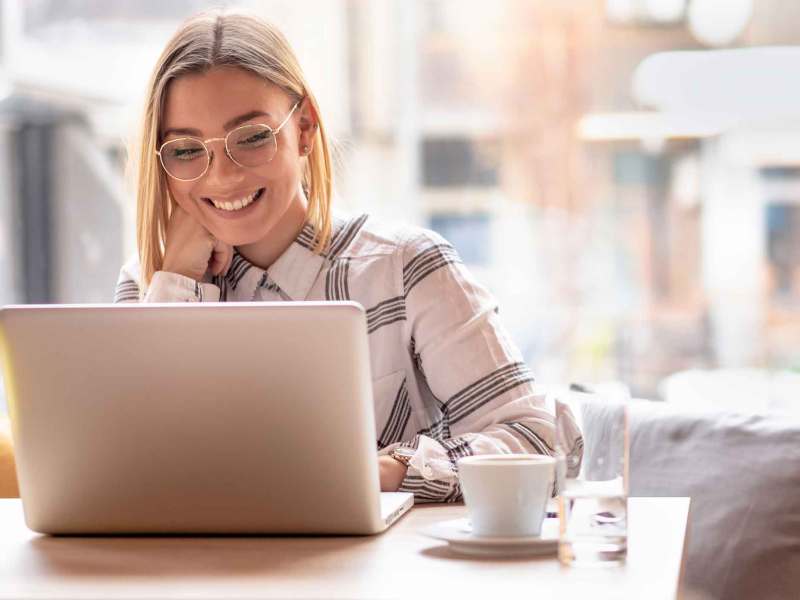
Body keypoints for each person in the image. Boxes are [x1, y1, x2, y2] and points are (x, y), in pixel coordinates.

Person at [114, 8, 581, 503]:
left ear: (306, 128)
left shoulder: (406, 268)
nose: (222, 177)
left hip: (378, 575)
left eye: (251, 138)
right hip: (201, 577)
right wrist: (179, 281)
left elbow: (538, 439)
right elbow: (125, 472)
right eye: (186, 151)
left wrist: (387, 471)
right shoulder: (151, 283)